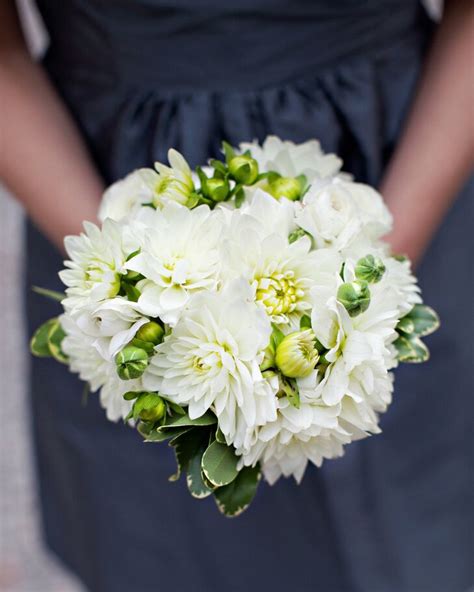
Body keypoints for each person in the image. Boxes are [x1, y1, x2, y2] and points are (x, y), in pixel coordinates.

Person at [1, 1, 472, 591]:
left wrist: (376, 266)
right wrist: (130, 288)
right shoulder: (129, 290)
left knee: (424, 516)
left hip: (408, 162)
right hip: (99, 188)